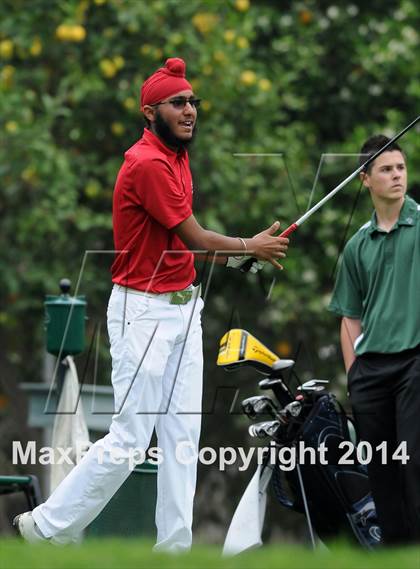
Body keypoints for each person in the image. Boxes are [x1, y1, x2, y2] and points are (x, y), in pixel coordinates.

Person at [14, 58, 289, 551]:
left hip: (184, 310)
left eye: (192, 103)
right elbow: (196, 235)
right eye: (178, 103)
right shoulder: (147, 164)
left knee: (183, 442)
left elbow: (180, 243)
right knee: (129, 440)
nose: (190, 111)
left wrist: (234, 259)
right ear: (150, 111)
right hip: (142, 314)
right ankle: (44, 528)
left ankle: (174, 553)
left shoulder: (178, 156)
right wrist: (250, 247)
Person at [328, 134, 420, 545]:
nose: (397, 175)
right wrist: (355, 374)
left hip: (415, 362)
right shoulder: (356, 245)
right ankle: (395, 553)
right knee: (381, 466)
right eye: (386, 169)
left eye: (400, 167)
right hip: (371, 371)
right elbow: (350, 316)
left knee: (413, 461)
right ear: (365, 179)